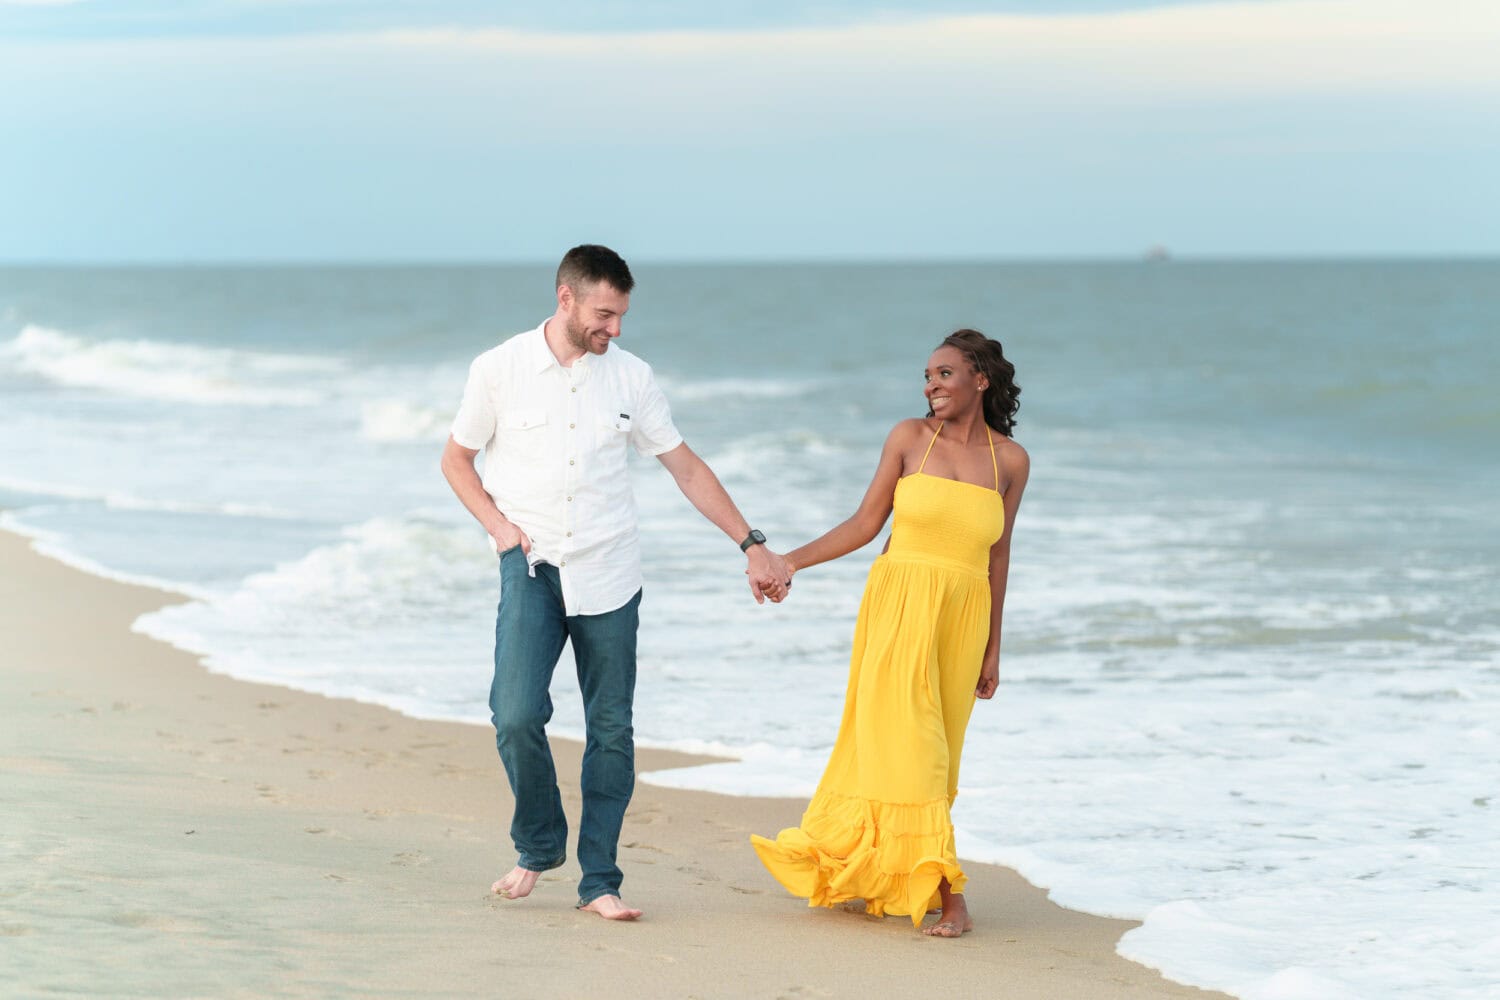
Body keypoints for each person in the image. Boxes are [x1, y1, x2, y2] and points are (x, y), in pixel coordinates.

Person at [442, 244, 791, 922]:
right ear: (566, 298)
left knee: (612, 729)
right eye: (605, 314)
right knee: (514, 714)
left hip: (610, 572)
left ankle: (599, 879)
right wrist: (499, 528)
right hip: (533, 565)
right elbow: (457, 460)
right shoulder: (499, 369)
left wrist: (751, 544)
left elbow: (684, 466)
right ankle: (539, 845)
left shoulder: (632, 378)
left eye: (623, 316)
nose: (616, 329)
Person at [750, 328, 1028, 937]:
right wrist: (788, 561)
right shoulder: (910, 439)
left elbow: (999, 556)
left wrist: (994, 646)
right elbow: (864, 523)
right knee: (916, 746)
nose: (931, 385)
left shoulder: (1010, 459)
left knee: (942, 752)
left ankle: (913, 873)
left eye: (945, 374)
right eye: (927, 376)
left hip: (963, 616)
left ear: (980, 378)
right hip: (900, 607)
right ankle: (950, 894)